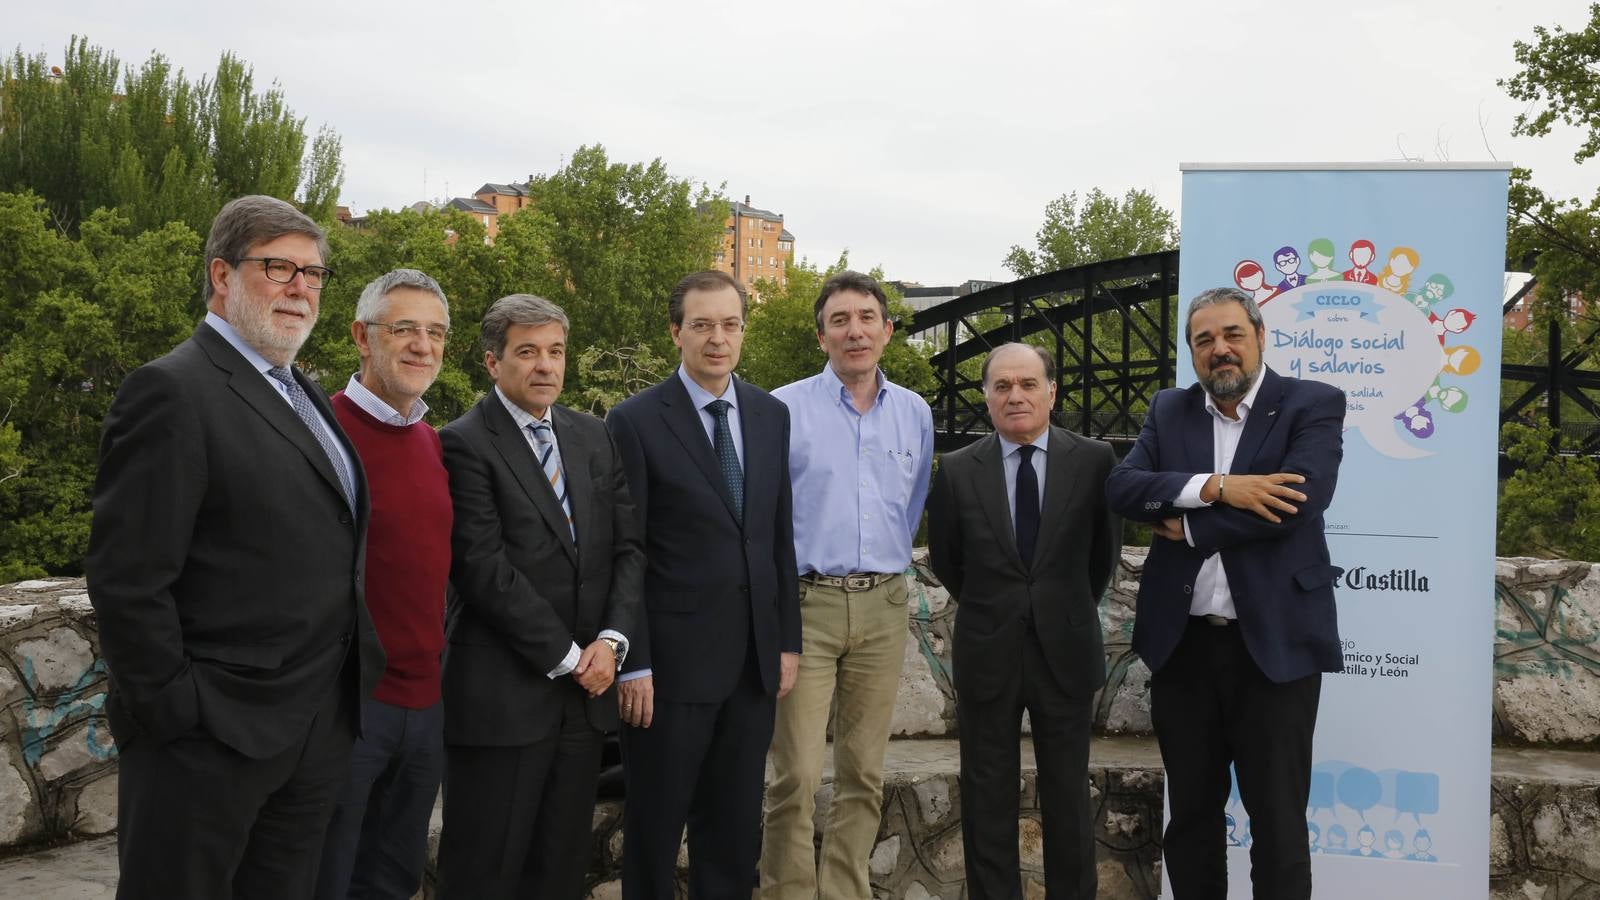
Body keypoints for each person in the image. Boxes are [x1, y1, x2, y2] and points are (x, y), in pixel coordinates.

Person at [86, 195, 384, 899]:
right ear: (222, 275)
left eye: (313, 275)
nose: (300, 289)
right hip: (209, 738)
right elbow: (128, 578)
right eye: (278, 267)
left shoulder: (300, 392)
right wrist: (178, 715)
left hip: (312, 728)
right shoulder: (171, 391)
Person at [1105, 286, 1346, 899]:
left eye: (1232, 335)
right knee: (1189, 819)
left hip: (1275, 648)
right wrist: (1219, 487)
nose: (1220, 350)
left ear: (1260, 337)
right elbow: (1124, 488)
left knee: (1280, 822)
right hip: (1184, 649)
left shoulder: (1311, 404)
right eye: (1204, 340)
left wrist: (1187, 523)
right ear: (1191, 352)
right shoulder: (1170, 409)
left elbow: (1297, 500)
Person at [435, 294, 644, 899]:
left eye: (555, 351)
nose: (545, 366)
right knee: (484, 872)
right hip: (503, 701)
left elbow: (628, 549)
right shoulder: (463, 443)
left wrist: (611, 641)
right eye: (527, 352)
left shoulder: (594, 436)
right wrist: (571, 657)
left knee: (558, 869)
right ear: (492, 363)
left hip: (584, 708)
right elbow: (481, 568)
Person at [606, 270, 800, 900]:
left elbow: (777, 537)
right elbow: (625, 550)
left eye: (730, 324)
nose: (718, 339)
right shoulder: (634, 421)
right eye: (703, 325)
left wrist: (786, 641)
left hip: (752, 668)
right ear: (676, 333)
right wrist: (635, 662)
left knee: (734, 831)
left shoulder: (771, 415)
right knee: (656, 830)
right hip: (669, 672)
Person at [760, 271, 934, 900]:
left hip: (884, 606)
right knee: (796, 775)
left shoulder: (915, 412)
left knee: (864, 772)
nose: (855, 330)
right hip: (806, 606)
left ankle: (844, 892)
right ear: (822, 337)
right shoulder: (781, 409)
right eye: (840, 320)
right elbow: (768, 515)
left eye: (866, 317)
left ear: (888, 330)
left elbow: (910, 509)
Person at [927, 343, 1121, 900]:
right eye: (1002, 386)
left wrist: (1058, 609)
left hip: (1066, 651)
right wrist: (1000, 609)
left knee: (1068, 801)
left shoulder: (1093, 459)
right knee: (987, 800)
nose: (1016, 396)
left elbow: (1101, 559)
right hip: (989, 653)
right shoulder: (959, 469)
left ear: (1051, 392)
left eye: (1028, 384)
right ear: (986, 397)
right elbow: (948, 560)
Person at [313, 269, 453, 900]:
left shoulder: (432, 443)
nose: (422, 345)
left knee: (392, 882)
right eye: (404, 329)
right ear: (361, 338)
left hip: (424, 709)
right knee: (325, 878)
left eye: (435, 333)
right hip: (346, 708)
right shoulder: (319, 431)